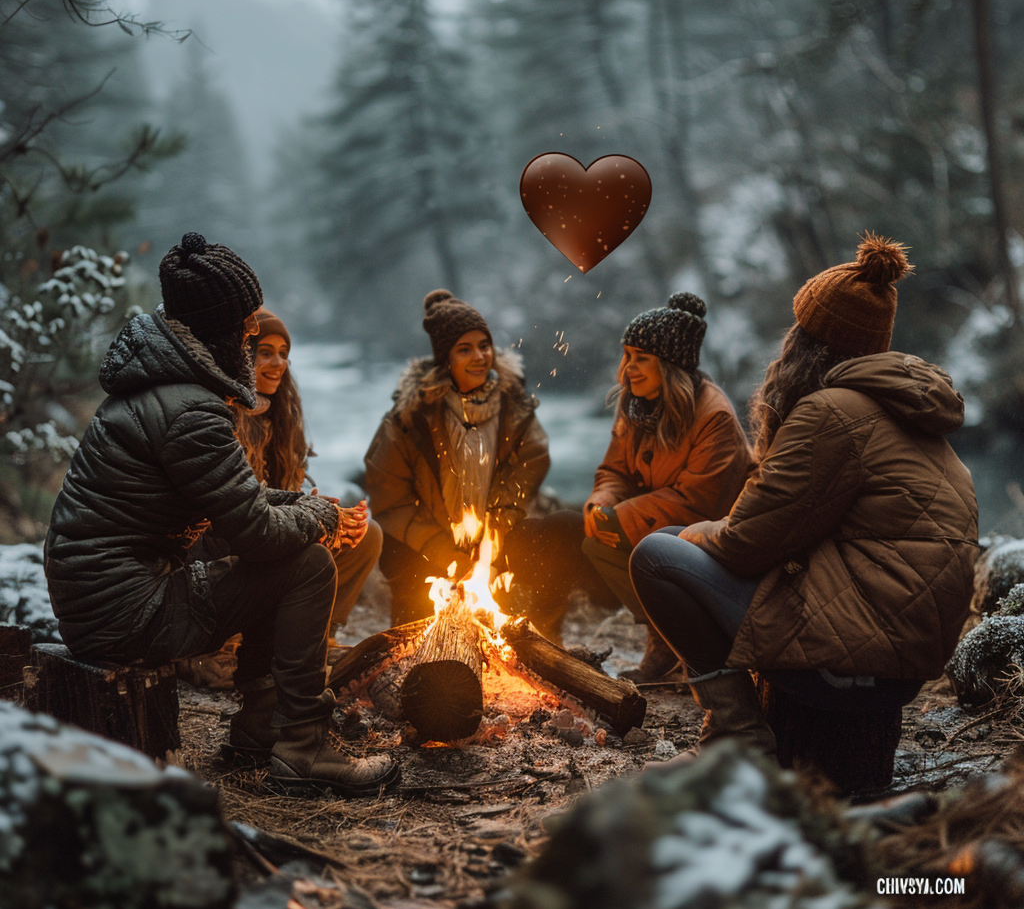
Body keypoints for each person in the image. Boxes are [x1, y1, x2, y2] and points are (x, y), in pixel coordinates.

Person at [44, 232, 398, 796]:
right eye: (249, 325)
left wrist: (305, 505)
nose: (254, 335)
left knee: (290, 550)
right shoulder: (190, 411)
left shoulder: (166, 389)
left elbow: (236, 498)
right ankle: (302, 747)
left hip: (101, 600)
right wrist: (324, 521)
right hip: (123, 614)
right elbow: (254, 532)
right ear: (223, 329)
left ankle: (260, 726)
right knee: (305, 564)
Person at [629, 234, 979, 758]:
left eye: (796, 328)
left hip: (849, 662)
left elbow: (746, 541)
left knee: (658, 554)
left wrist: (696, 533)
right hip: (895, 659)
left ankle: (738, 734)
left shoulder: (831, 412)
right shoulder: (905, 412)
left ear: (807, 341)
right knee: (685, 543)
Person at [581, 292, 753, 680]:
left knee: (625, 539)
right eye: (627, 356)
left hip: (713, 540)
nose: (629, 369)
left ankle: (686, 640)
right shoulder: (635, 406)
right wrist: (601, 502)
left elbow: (699, 503)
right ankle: (664, 636)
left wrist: (620, 517)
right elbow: (614, 470)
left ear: (670, 365)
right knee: (591, 537)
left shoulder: (714, 416)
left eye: (642, 358)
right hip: (660, 525)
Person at [364, 289, 554, 627]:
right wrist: (442, 550)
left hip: (496, 542)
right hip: (429, 546)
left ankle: (545, 632)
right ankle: (413, 630)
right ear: (445, 360)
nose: (480, 357)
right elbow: (390, 499)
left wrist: (492, 538)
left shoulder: (514, 408)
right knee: (402, 570)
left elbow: (529, 468)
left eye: (484, 345)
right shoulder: (410, 417)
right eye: (464, 350)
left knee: (560, 528)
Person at [235, 307, 383, 642]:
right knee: (316, 549)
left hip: (274, 531)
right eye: (266, 353)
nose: (278, 364)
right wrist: (308, 517)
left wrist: (322, 512)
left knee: (366, 535)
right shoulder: (221, 415)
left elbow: (286, 492)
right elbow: (239, 509)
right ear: (242, 357)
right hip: (235, 540)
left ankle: (318, 638)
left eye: (284, 354)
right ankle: (235, 646)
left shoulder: (281, 417)